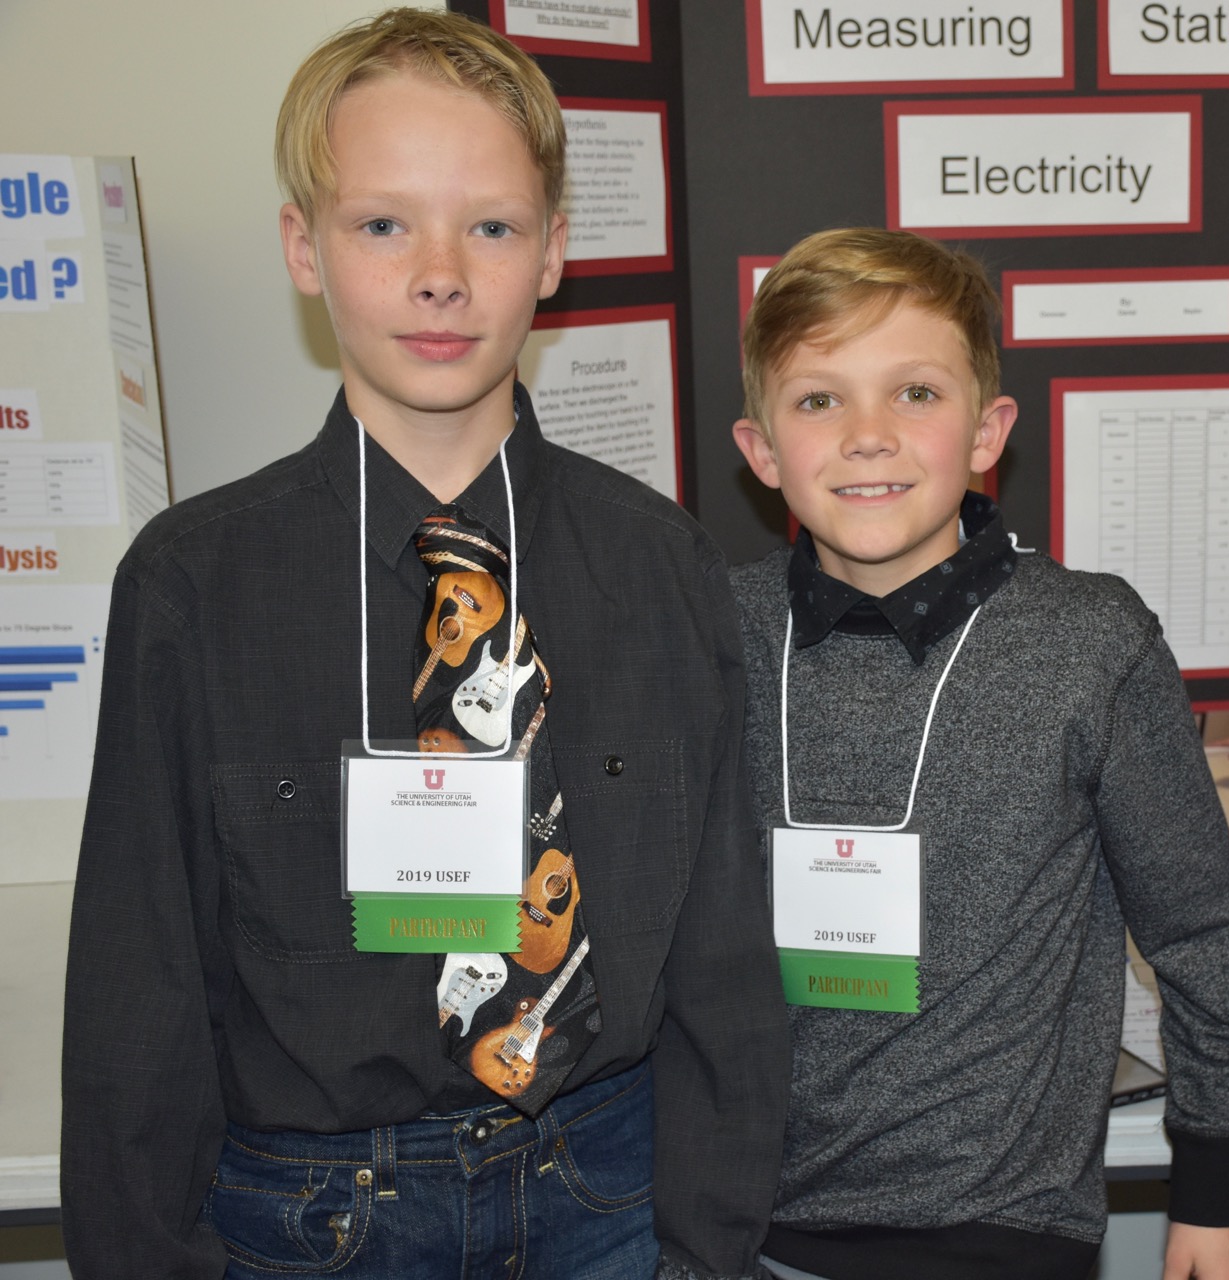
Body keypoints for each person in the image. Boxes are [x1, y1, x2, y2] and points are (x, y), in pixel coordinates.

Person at [60, 10, 788, 1278]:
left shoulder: (662, 564)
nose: (441, 274)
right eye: (383, 224)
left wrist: (706, 1248)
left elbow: (724, 962)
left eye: (491, 227)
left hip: (607, 1193)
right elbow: (141, 993)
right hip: (311, 1217)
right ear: (305, 248)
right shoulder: (192, 586)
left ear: (553, 251)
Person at [727, 227, 1229, 1280]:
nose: (868, 436)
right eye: (820, 399)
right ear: (762, 450)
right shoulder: (715, 631)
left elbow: (1199, 928)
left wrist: (1217, 1187)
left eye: (916, 393)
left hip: (1001, 1232)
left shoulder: (1090, 641)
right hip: (743, 1228)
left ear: (987, 431)